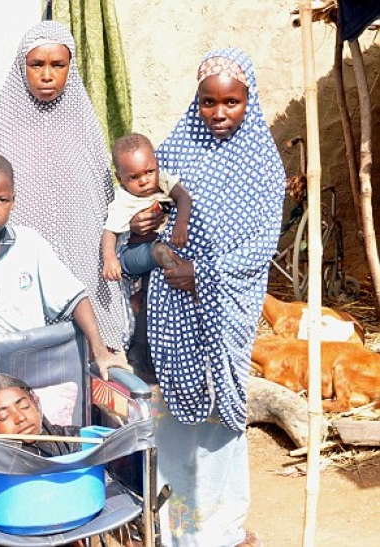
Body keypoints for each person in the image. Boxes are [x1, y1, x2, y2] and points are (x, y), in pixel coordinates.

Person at [130, 48, 284, 547]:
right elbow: (147, 210)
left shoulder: (264, 164)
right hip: (172, 308)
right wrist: (143, 225)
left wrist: (206, 274)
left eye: (231, 103)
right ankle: (174, 527)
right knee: (173, 418)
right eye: (208, 102)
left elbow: (260, 246)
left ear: (249, 101)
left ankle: (222, 530)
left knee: (222, 418)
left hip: (226, 310)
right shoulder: (175, 151)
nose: (219, 113)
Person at [0, 20, 125, 355]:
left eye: (58, 65)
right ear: (20, 66)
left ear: (70, 68)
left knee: (87, 365)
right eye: (36, 64)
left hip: (81, 260)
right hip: (21, 272)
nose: (46, 75)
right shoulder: (0, 131)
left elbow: (102, 202)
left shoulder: (85, 128)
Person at [0, 151, 121, 378]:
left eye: (2, 200)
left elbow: (74, 298)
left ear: (13, 201)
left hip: (32, 375)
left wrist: (100, 350)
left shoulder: (31, 244)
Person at [101, 133, 192, 281]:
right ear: (120, 178)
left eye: (149, 172)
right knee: (161, 252)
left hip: (160, 243)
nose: (144, 181)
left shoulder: (162, 179)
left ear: (156, 164)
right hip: (131, 254)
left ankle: (143, 292)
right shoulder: (124, 199)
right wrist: (109, 258)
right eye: (134, 177)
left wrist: (181, 224)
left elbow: (184, 197)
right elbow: (110, 231)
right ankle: (183, 278)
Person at [0, 373, 81, 458]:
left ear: (35, 404)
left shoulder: (67, 439)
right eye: (3, 416)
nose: (20, 418)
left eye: (24, 406)